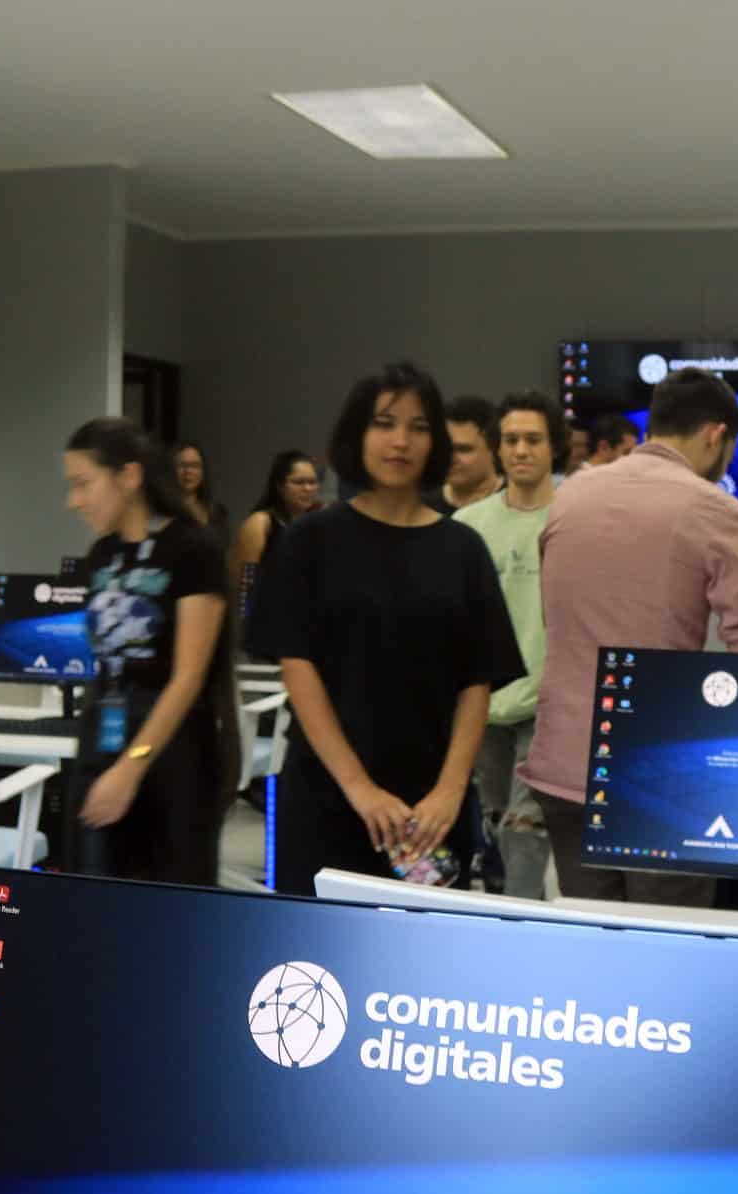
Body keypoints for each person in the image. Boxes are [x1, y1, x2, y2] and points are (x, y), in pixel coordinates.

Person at [247, 362, 524, 896]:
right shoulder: (309, 541)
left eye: (419, 427)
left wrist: (449, 791)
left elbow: (477, 679)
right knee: (315, 939)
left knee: (421, 947)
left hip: (430, 810)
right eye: (384, 423)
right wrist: (360, 789)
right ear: (357, 433)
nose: (401, 441)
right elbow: (297, 666)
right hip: (330, 791)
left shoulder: (462, 549)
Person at [522, 367, 738, 904]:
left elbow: (554, 620)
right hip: (661, 777)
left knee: (589, 937)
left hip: (563, 761)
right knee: (667, 942)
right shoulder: (718, 511)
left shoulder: (570, 496)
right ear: (715, 435)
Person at [62, 417, 238, 886]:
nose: (74, 501)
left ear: (129, 476)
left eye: (83, 484)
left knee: (168, 905)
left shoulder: (193, 550)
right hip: (103, 739)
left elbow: (188, 677)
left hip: (173, 752)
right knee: (92, 897)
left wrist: (131, 767)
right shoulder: (102, 554)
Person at [455, 390, 564, 899]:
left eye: (533, 440)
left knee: (525, 834)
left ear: (553, 447)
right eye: (511, 439)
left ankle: (518, 927)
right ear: (498, 447)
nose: (521, 450)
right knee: (498, 828)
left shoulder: (574, 519)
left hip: (549, 703)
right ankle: (509, 919)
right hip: (482, 703)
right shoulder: (467, 527)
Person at [231, 449, 321, 636]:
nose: (307, 489)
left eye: (312, 482)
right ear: (280, 486)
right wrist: (249, 628)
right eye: (299, 482)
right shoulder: (261, 523)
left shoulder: (318, 523)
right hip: (269, 629)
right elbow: (246, 586)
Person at [424, 395, 503, 513]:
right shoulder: (421, 508)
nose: (450, 458)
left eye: (463, 449)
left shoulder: (519, 501)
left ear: (494, 448)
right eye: (445, 448)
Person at [168, 440, 229, 535]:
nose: (188, 471)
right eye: (182, 465)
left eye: (195, 465)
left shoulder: (216, 512)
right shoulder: (160, 511)